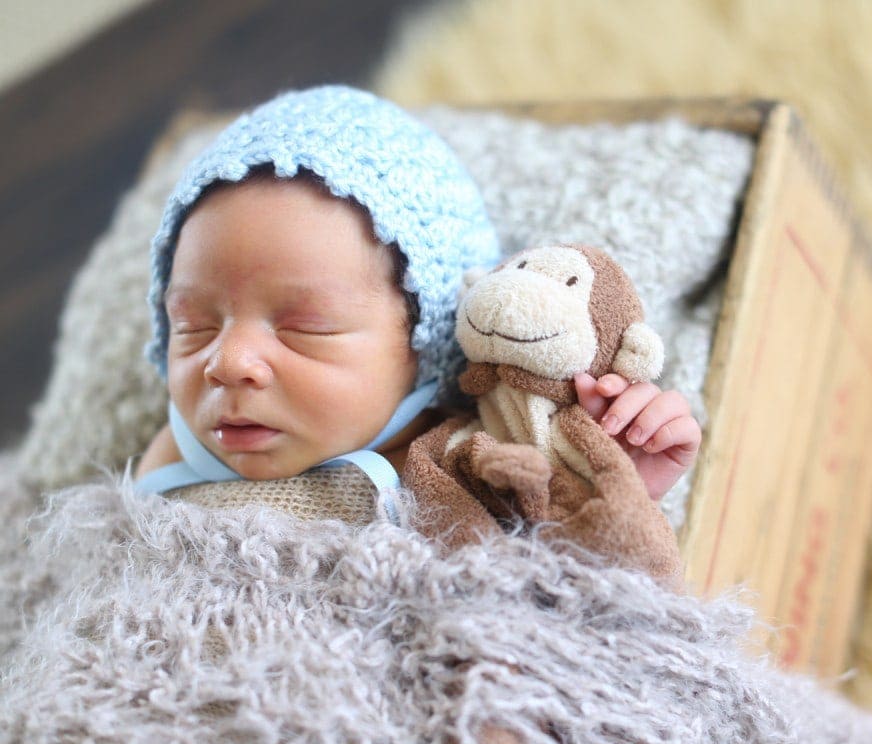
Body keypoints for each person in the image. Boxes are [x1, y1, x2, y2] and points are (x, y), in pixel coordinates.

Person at [134, 85, 701, 517]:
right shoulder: (175, 461)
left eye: (303, 327)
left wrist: (618, 481)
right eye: (194, 326)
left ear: (426, 343)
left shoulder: (458, 472)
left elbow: (562, 588)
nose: (226, 363)